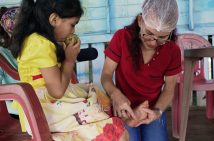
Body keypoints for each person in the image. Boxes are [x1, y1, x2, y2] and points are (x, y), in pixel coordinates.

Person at [9, 0, 128, 140]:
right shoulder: (40, 43)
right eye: (72, 25)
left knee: (100, 100)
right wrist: (70, 60)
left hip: (45, 104)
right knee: (115, 131)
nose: (73, 31)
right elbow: (57, 91)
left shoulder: (36, 40)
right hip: (42, 111)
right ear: (54, 19)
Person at [101, 0, 181, 140]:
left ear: (171, 31)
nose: (153, 42)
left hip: (152, 108)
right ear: (140, 21)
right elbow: (106, 76)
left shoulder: (172, 50)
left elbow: (169, 89)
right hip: (123, 108)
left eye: (162, 37)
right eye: (149, 33)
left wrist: (157, 111)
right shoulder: (122, 38)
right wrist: (115, 94)